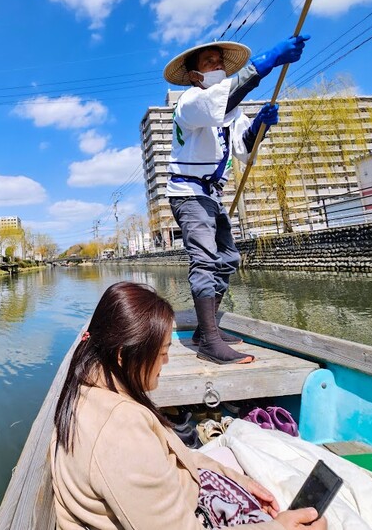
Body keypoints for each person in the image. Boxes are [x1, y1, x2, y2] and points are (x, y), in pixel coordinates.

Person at [50, 281, 326, 530]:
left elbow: (166, 455)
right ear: (124, 356)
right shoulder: (120, 433)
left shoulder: (91, 386)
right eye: (162, 353)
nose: (166, 363)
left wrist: (235, 480)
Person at [163, 36, 309, 364]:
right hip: (188, 193)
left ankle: (205, 328)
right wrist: (267, 60)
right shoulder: (189, 102)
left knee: (227, 258)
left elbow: (243, 148)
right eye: (209, 63)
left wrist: (259, 125)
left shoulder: (231, 109)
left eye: (219, 61)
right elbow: (224, 98)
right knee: (205, 259)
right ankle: (210, 342)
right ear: (194, 76)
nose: (217, 66)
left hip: (212, 196)